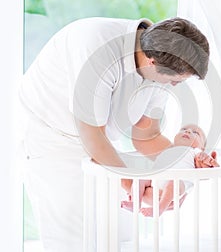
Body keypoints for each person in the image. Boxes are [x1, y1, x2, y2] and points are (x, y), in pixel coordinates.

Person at [19, 16, 210, 251]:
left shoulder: (160, 61)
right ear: (152, 62)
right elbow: (93, 139)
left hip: (102, 144)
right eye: (176, 81)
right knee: (72, 241)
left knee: (118, 237)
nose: (174, 86)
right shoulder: (96, 51)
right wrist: (135, 187)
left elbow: (146, 136)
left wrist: (187, 160)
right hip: (54, 141)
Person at [121, 124, 219, 217]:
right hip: (156, 179)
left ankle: (159, 209)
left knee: (173, 183)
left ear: (201, 147)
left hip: (179, 183)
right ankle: (135, 203)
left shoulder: (195, 151)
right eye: (183, 129)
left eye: (196, 133)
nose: (188, 131)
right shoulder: (168, 150)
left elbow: (204, 163)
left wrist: (205, 157)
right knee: (140, 179)